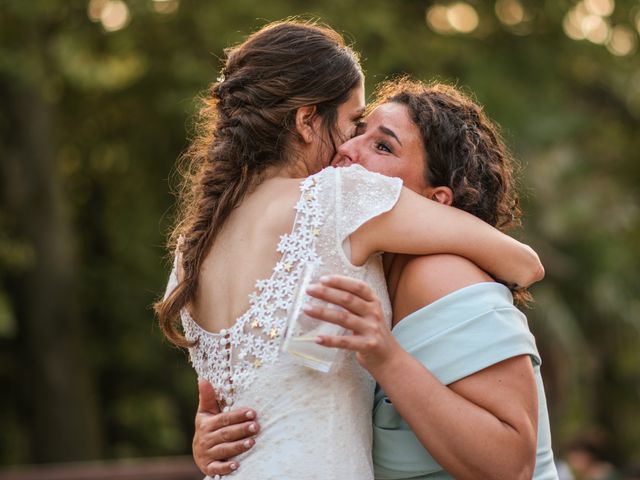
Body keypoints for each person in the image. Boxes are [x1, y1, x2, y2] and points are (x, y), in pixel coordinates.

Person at [157, 20, 543, 480]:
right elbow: (524, 262)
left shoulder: (192, 248)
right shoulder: (337, 199)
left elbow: (260, 394)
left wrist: (207, 442)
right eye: (352, 122)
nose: (352, 147)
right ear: (306, 122)